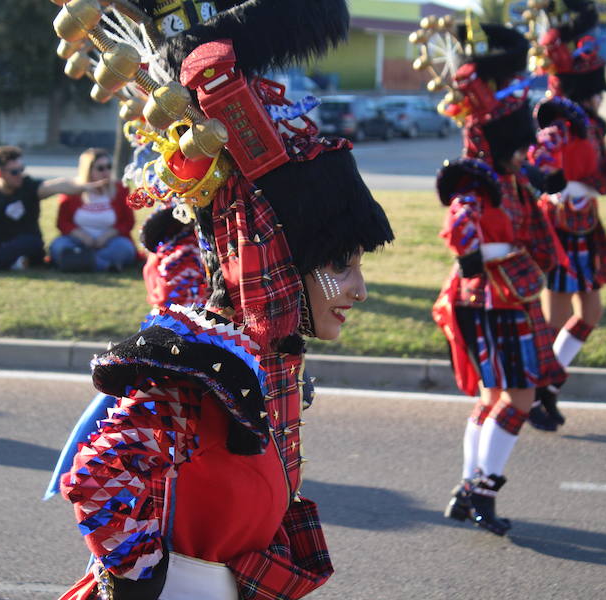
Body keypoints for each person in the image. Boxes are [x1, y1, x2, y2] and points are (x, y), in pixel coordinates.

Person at [45, 1, 393, 599]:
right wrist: (142, 581)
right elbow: (97, 475)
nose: (359, 289)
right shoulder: (204, 375)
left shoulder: (267, 361)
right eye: (340, 263)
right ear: (277, 258)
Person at [424, 18, 565, 535]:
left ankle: (468, 490)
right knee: (518, 400)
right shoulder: (482, 179)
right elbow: (459, 224)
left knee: (492, 400)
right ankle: (482, 492)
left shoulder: (508, 175)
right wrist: (475, 261)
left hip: (502, 297)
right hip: (495, 299)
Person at [526, 0, 606, 430]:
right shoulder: (560, 120)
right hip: (560, 223)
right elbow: (538, 162)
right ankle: (531, 392)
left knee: (590, 314)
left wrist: (592, 182)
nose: (602, 94)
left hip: (586, 224)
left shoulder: (591, 124)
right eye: (596, 87)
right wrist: (560, 182)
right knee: (553, 317)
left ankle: (548, 386)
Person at [0, 145, 107, 272]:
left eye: (21, 169)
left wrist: (84, 185)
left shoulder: (29, 186)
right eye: (14, 171)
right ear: (0, 174)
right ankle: (4, 263)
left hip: (26, 242)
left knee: (30, 243)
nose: (19, 174)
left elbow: (57, 185)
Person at [50, 148, 138, 272]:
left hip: (110, 242)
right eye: (100, 168)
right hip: (78, 241)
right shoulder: (73, 191)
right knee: (59, 246)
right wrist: (82, 236)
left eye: (109, 167)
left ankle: (79, 262)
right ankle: (104, 265)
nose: (106, 172)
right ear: (88, 170)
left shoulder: (120, 190)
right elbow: (62, 223)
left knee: (124, 248)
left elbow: (128, 222)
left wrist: (107, 235)